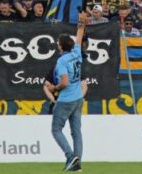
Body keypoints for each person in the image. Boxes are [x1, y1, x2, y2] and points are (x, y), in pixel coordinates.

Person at [51, 11, 87, 172]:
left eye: (58, 42)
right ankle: (77, 164)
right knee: (76, 132)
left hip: (66, 99)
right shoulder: (76, 53)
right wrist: (82, 22)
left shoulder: (61, 61)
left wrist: (54, 88)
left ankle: (70, 157)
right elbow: (79, 35)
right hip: (79, 97)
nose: (57, 44)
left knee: (56, 129)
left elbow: (64, 82)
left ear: (60, 46)